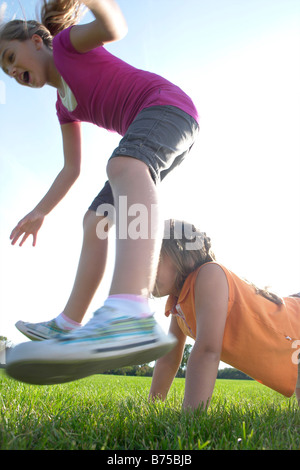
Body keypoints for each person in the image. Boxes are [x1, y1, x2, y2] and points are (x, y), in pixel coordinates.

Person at [1, 0, 199, 384]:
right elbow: (70, 169)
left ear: (36, 41)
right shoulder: (64, 105)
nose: (11, 70)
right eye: (7, 73)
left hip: (168, 109)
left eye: (11, 57)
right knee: (96, 220)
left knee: (124, 166)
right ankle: (68, 324)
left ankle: (129, 310)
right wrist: (40, 211)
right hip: (156, 125)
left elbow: (113, 26)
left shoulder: (66, 46)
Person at [148, 220, 300, 411]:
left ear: (187, 256)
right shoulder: (179, 303)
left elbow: (207, 351)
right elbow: (169, 358)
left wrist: (190, 421)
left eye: (154, 258)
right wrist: (153, 406)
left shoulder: (209, 275)